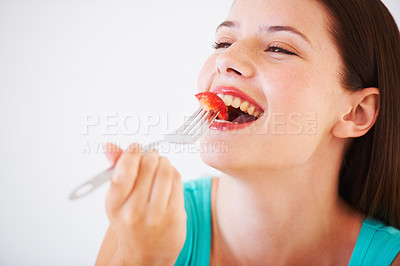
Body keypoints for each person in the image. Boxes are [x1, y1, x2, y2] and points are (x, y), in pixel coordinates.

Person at [96, 0, 400, 265]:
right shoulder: (144, 229)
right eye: (224, 43)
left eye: (278, 47)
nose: (226, 60)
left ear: (356, 113)